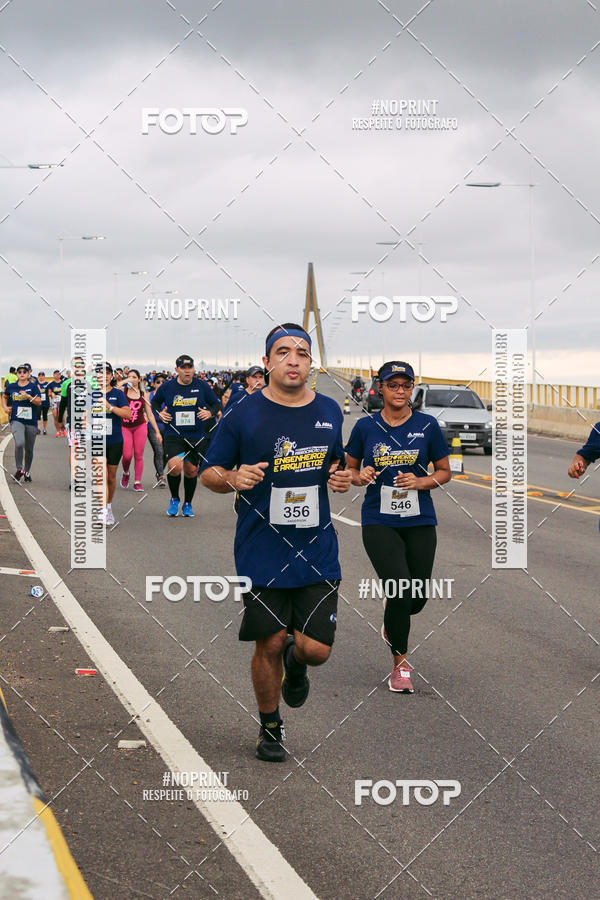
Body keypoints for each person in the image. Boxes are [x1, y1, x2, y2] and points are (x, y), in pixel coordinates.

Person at [200, 323, 352, 762]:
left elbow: (335, 465)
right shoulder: (242, 413)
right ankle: (270, 725)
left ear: (310, 364)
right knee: (266, 642)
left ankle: (297, 661)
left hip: (317, 548)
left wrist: (339, 477)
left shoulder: (329, 410)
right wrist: (232, 477)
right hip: (261, 547)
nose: (293, 359)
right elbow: (210, 472)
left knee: (316, 650)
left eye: (302, 353)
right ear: (267, 361)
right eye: (283, 352)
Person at [345, 361, 451, 694]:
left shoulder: (428, 425)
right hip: (379, 520)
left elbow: (445, 471)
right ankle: (400, 665)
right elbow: (348, 470)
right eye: (394, 385)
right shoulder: (365, 427)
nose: (400, 391)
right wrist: (359, 476)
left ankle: (395, 614)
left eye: (406, 385)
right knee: (401, 587)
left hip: (420, 519)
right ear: (380, 388)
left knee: (414, 599)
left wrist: (421, 481)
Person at [151, 355, 220, 517]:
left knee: (191, 471)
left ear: (194, 369)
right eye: (183, 368)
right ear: (177, 370)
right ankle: (174, 499)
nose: (187, 371)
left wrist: (209, 412)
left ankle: (188, 503)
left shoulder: (202, 385)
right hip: (174, 434)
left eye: (190, 367)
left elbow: (216, 403)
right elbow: (154, 403)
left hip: (196, 434)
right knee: (175, 467)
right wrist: (159, 414)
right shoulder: (168, 387)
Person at [120, 369, 162, 491]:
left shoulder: (144, 395)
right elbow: (115, 386)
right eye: (129, 377)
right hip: (125, 426)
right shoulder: (123, 391)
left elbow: (150, 414)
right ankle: (126, 472)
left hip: (140, 426)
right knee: (127, 455)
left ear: (139, 379)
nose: (131, 379)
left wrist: (157, 431)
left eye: (134, 377)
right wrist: (126, 380)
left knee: (138, 454)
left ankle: (137, 482)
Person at [1, 364, 42, 482]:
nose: (22, 373)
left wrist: (28, 396)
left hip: (31, 421)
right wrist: (4, 407)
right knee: (19, 443)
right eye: (19, 372)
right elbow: (4, 396)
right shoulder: (12, 387)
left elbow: (39, 402)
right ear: (17, 374)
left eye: (24, 371)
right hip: (16, 420)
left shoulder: (33, 386)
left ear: (28, 374)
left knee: (29, 449)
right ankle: (20, 469)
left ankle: (27, 471)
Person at [147, 373, 167, 486]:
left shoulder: (170, 396)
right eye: (158, 382)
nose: (160, 384)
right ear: (154, 384)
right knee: (159, 451)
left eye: (163, 382)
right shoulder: (148, 395)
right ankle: (161, 476)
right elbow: (149, 413)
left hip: (168, 427)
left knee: (167, 453)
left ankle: (160, 470)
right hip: (152, 427)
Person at [47, 370, 64, 436]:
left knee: (61, 415)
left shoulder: (63, 383)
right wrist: (51, 393)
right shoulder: (51, 384)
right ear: (53, 375)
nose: (57, 375)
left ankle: (63, 428)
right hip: (54, 401)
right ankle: (58, 430)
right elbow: (49, 393)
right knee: (55, 416)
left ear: (60, 375)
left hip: (62, 400)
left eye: (58, 374)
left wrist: (62, 393)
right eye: (55, 374)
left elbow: (67, 392)